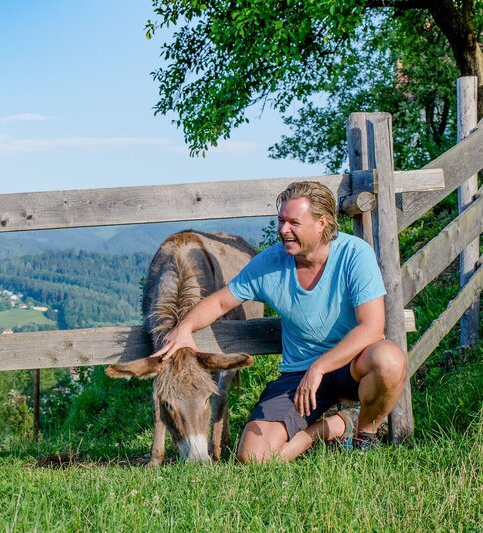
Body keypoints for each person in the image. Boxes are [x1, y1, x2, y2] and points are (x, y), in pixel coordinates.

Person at [154, 181, 407, 463]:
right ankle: (333, 427)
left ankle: (365, 434)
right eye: (281, 220)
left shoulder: (354, 255)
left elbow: (372, 328)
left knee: (389, 360)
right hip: (298, 376)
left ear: (322, 223)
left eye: (293, 222)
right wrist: (185, 328)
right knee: (254, 457)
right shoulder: (271, 262)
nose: (283, 230)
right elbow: (220, 302)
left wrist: (319, 367)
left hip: (352, 365)